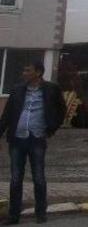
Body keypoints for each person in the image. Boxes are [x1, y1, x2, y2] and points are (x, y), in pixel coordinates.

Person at [0, 60, 66, 225]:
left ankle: (40, 213)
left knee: (38, 177)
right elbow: (7, 115)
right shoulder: (17, 89)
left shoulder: (51, 89)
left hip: (36, 139)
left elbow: (61, 110)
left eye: (27, 70)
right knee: (15, 178)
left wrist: (51, 128)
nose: (24, 73)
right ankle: (14, 215)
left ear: (38, 72)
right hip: (17, 139)